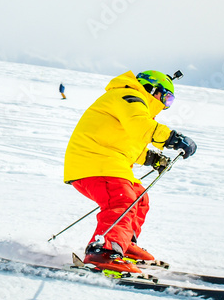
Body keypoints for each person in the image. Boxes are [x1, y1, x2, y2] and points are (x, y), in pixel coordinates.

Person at [64, 70, 196, 274]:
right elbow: (141, 126)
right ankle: (104, 251)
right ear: (153, 90)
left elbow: (128, 144)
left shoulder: (133, 104)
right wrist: (173, 138)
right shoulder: (128, 97)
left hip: (106, 161)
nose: (166, 105)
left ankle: (122, 243)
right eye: (167, 98)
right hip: (94, 163)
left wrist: (152, 158)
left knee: (139, 197)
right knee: (121, 200)